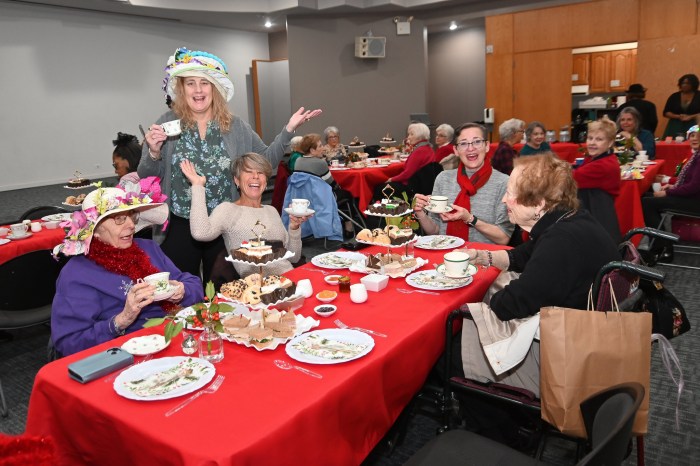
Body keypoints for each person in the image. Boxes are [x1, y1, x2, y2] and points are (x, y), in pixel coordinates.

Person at [138, 47, 321, 288]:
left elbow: (265, 160)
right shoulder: (167, 123)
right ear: (182, 89)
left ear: (215, 88)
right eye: (191, 83)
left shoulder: (236, 127)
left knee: (226, 290)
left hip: (225, 224)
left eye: (205, 82)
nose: (198, 90)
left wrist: (288, 131)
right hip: (179, 222)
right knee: (179, 292)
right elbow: (146, 176)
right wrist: (153, 151)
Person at [458, 153, 620, 396]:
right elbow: (522, 255)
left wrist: (482, 296)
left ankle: (491, 422)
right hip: (588, 335)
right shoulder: (570, 219)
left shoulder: (561, 242)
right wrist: (483, 257)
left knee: (454, 341)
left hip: (565, 360)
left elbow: (511, 305)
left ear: (539, 204)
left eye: (511, 194)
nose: (504, 200)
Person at [51, 182, 204, 356]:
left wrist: (181, 291)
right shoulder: (77, 274)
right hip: (124, 354)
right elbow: (69, 343)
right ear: (95, 231)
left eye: (131, 216)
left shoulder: (148, 248)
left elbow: (194, 284)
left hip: (174, 336)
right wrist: (122, 320)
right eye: (119, 219)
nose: (131, 225)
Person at [181, 153, 306, 277]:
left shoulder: (271, 210)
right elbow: (200, 233)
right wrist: (197, 186)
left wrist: (294, 228)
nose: (255, 176)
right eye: (248, 171)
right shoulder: (228, 210)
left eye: (260, 172)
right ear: (237, 180)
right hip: (258, 289)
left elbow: (294, 258)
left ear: (266, 181)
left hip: (289, 279)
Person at [413, 123, 513, 245]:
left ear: (487, 146)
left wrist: (469, 218)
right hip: (446, 254)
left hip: (484, 258)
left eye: (477, 142)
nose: (470, 148)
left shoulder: (503, 182)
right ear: (456, 150)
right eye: (464, 143)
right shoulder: (443, 179)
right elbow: (434, 231)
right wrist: (420, 212)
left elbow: (503, 238)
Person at [642, 124, 700, 262]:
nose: (694, 138)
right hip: (692, 198)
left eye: (698, 136)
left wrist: (669, 192)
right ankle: (662, 244)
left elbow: (693, 187)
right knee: (645, 197)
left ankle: (663, 247)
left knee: (647, 203)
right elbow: (688, 181)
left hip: (695, 202)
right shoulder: (696, 156)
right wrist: (672, 185)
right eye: (692, 135)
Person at [573, 117, 622, 243]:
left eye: (599, 139)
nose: (592, 143)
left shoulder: (602, 165)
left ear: (610, 143)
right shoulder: (598, 158)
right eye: (590, 138)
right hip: (595, 213)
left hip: (596, 217)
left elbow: (571, 179)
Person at [385, 122, 435, 187]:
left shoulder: (419, 151)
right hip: (424, 184)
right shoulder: (429, 148)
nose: (408, 137)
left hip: (411, 187)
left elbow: (407, 174)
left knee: (379, 188)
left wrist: (391, 179)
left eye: (411, 134)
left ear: (419, 136)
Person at [662, 74, 700, 138]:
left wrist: (691, 116)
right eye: (683, 83)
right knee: (673, 145)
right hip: (675, 125)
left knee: (693, 142)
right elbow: (666, 112)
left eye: (687, 83)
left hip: (694, 125)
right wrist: (678, 116)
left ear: (693, 84)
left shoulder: (698, 96)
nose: (684, 85)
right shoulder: (674, 96)